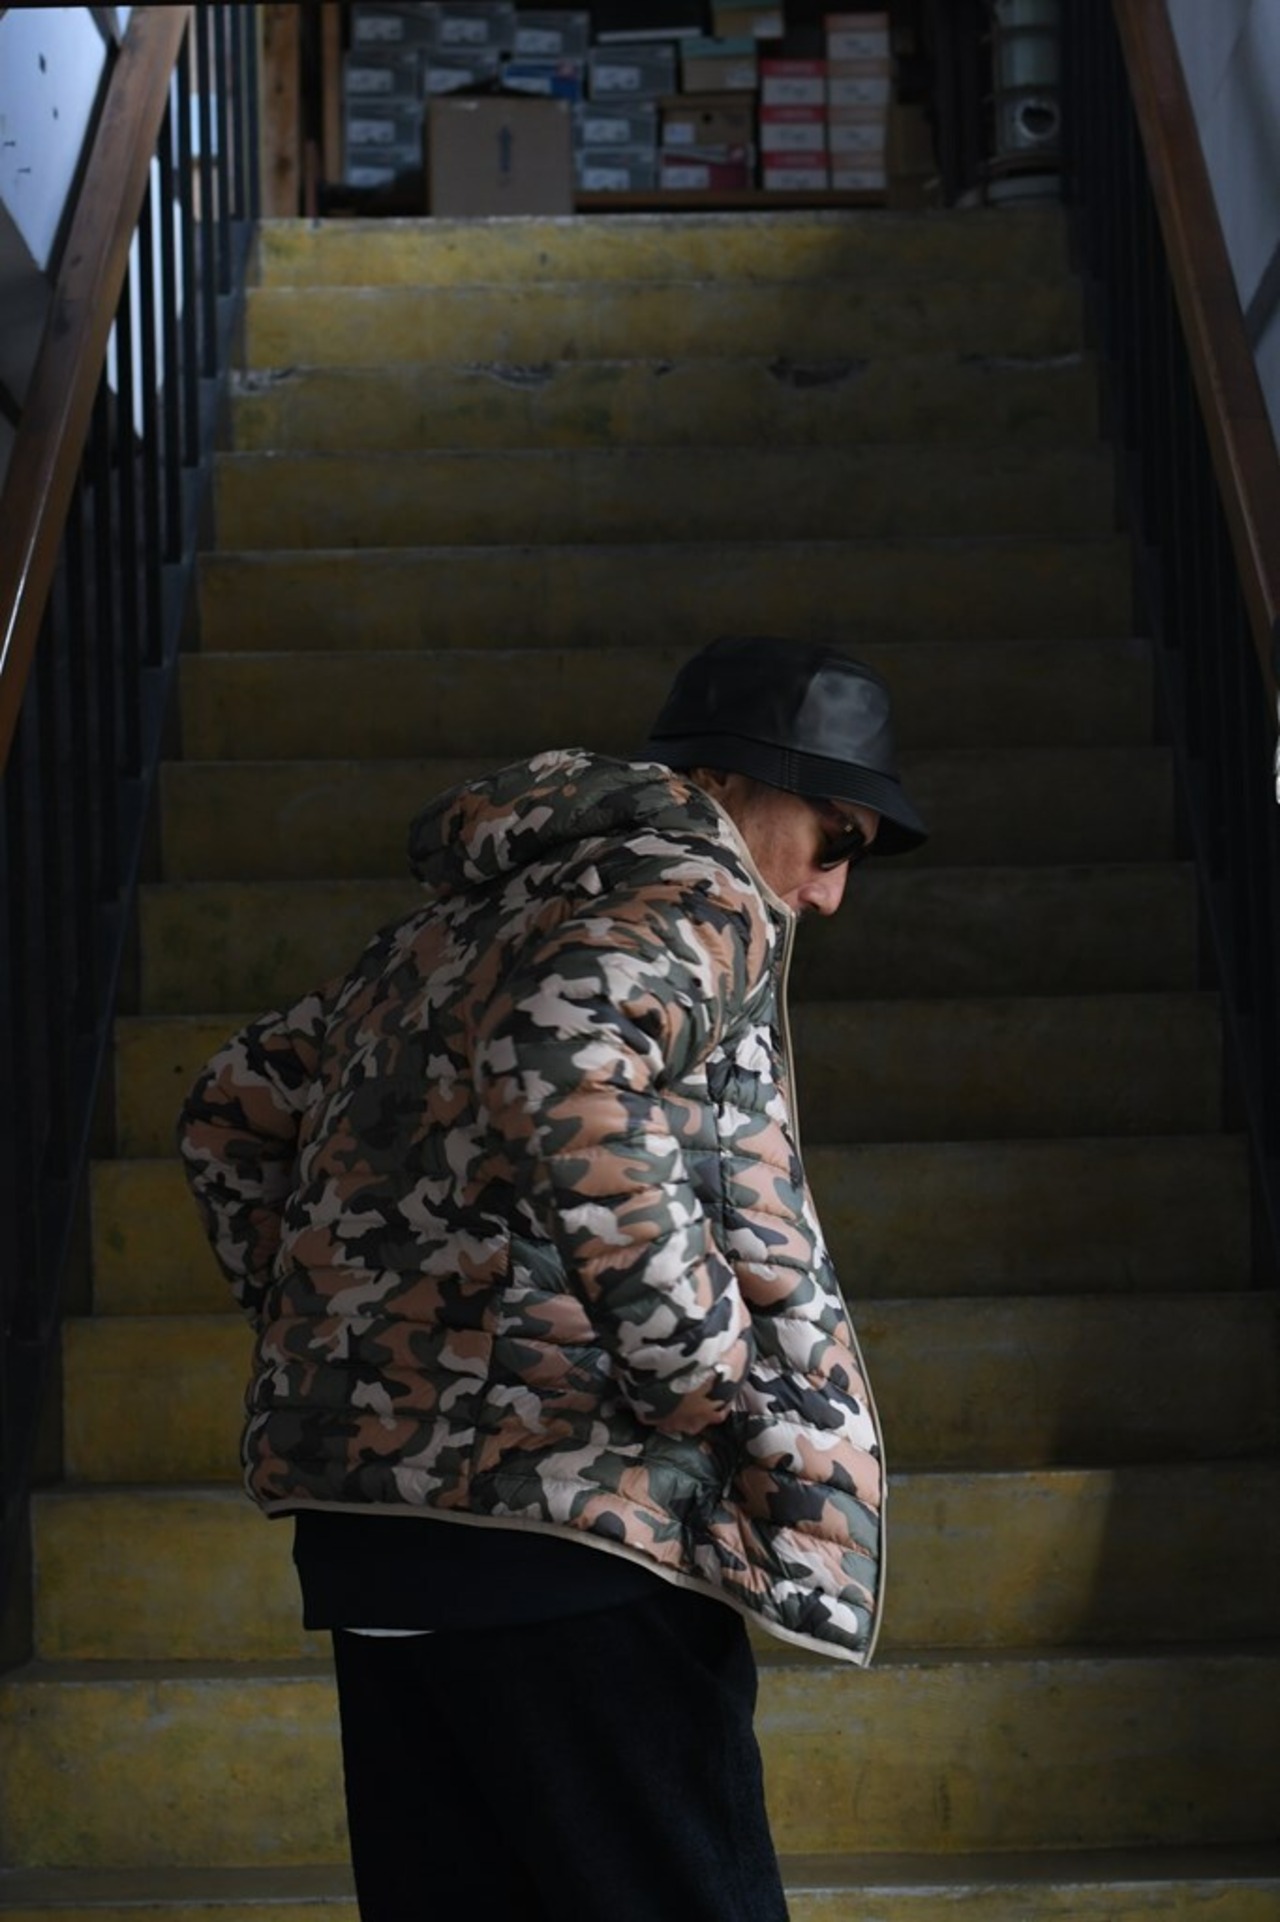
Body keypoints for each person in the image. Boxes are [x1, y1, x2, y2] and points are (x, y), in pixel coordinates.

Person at [177, 634, 928, 1922]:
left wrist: (353, 1331)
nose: (828, 893)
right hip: (574, 1524)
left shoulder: (454, 922)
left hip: (378, 1540)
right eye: (833, 838)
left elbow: (231, 1108)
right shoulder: (696, 884)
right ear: (730, 783)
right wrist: (703, 1374)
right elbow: (563, 1044)